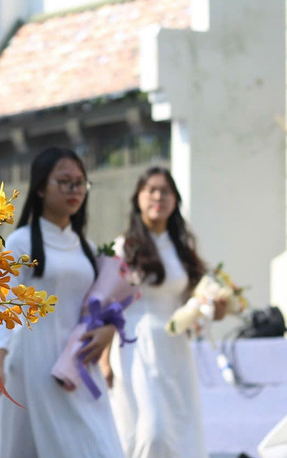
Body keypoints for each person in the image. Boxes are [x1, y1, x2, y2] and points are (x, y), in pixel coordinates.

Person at [0, 147, 125, 458]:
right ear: (40, 187)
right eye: (64, 181)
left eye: (80, 183)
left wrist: (107, 333)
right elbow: (4, 303)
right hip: (35, 362)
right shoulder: (20, 242)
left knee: (97, 445)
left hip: (78, 362)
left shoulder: (88, 248)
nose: (75, 190)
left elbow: (99, 308)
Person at [105, 166, 209, 458]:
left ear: (175, 199)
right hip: (136, 345)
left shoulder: (182, 247)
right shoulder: (125, 247)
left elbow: (192, 297)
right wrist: (104, 360)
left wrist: (212, 305)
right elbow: (108, 305)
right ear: (138, 197)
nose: (158, 196)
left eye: (165, 191)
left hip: (175, 349)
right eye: (150, 189)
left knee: (182, 430)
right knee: (152, 431)